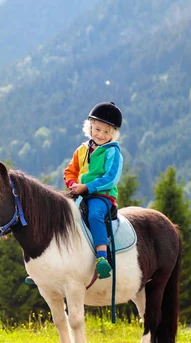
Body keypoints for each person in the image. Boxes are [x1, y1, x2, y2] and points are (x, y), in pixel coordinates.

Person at [25, 102, 123, 285]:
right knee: (55, 214)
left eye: (106, 132)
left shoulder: (113, 152)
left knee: (94, 215)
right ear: (90, 126)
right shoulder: (82, 150)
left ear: (113, 134)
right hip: (78, 193)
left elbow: (111, 178)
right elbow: (70, 171)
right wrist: (72, 184)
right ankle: (43, 266)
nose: (101, 135)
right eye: (97, 129)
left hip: (101, 196)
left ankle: (102, 257)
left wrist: (86, 188)